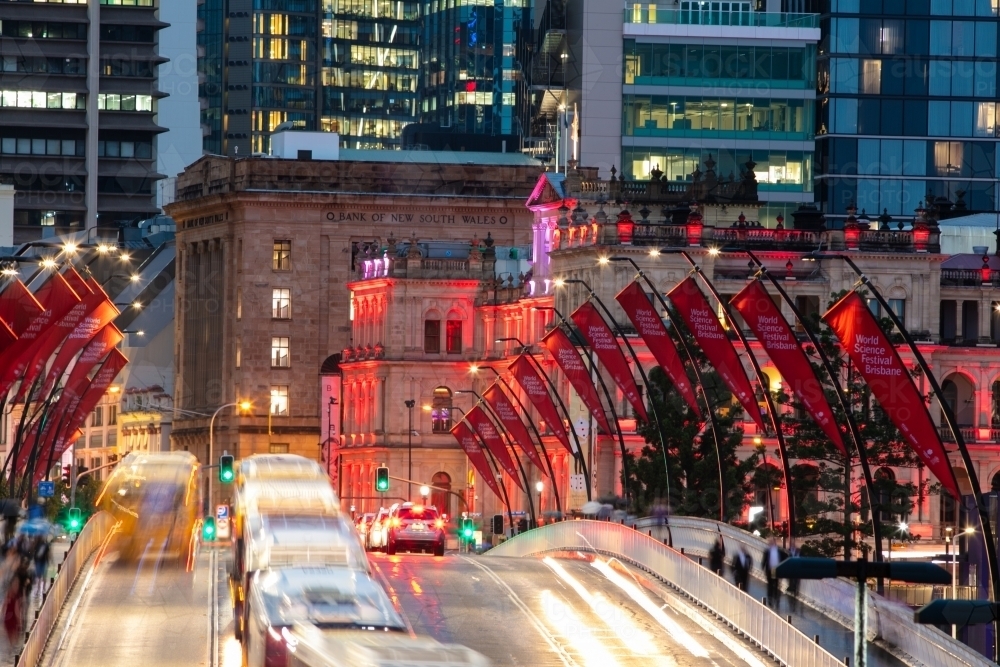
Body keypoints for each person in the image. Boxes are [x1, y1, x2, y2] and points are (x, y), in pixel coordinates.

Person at [762, 538, 781, 608]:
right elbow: (764, 561)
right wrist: (763, 568)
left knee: (776, 586)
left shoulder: (779, 551)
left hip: (777, 570)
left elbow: (782, 559)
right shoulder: (767, 551)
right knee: (770, 586)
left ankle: (776, 600)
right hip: (769, 570)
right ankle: (770, 601)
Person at [785, 544, 801, 611]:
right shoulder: (788, 552)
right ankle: (791, 601)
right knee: (791, 583)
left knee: (796, 585)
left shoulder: (800, 553)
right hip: (791, 572)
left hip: (798, 572)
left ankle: (795, 595)